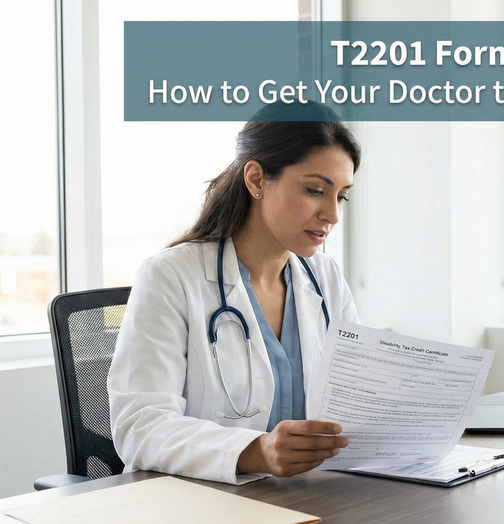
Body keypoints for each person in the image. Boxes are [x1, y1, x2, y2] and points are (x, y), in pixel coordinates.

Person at [108, 102, 360, 484]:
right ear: (257, 180)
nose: (332, 214)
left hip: (309, 495)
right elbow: (140, 427)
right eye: (314, 190)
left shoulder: (325, 278)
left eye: (340, 196)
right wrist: (254, 451)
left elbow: (355, 394)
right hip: (203, 502)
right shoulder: (172, 276)